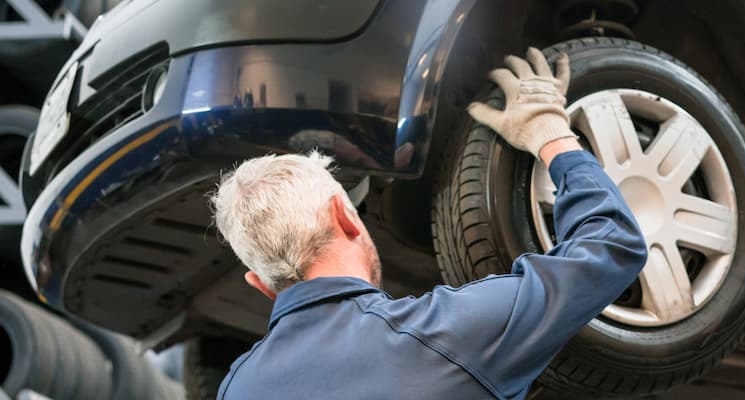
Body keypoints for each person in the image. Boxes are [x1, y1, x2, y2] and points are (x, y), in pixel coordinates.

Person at [210, 47, 648, 400]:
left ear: (259, 283)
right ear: (344, 216)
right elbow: (612, 246)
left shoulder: (237, 388)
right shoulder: (450, 334)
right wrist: (552, 135)